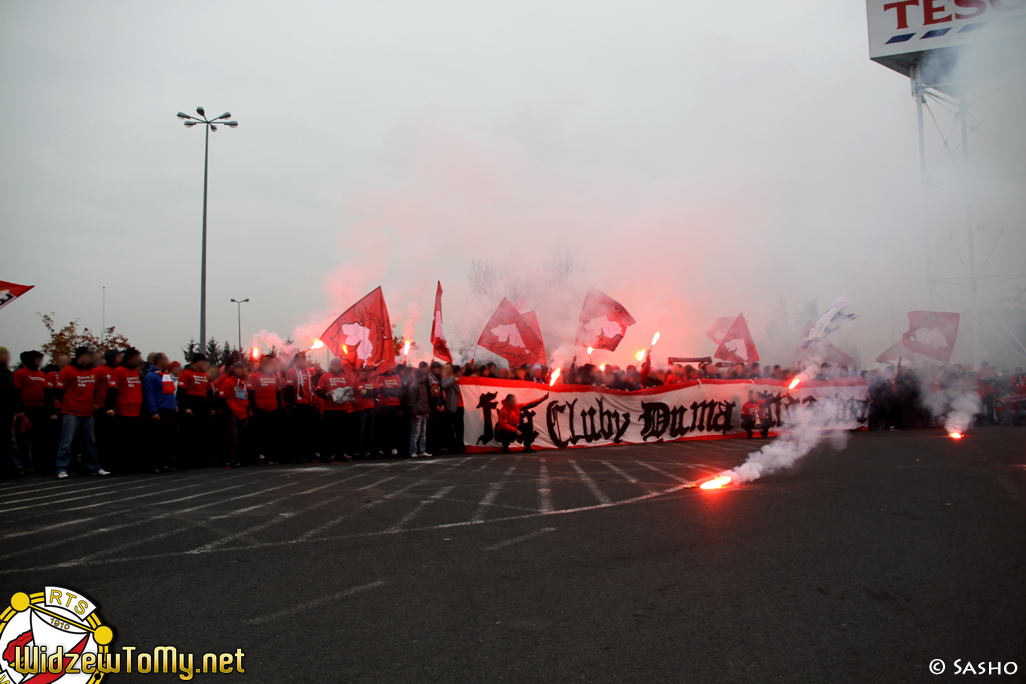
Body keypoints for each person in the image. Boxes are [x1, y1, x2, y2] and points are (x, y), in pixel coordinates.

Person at [54, 346, 109, 478]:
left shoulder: (93, 372)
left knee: (90, 441)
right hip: (71, 412)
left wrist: (93, 403)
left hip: (88, 412)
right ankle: (61, 468)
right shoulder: (68, 371)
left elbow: (95, 389)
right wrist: (68, 403)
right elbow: (58, 391)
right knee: (66, 442)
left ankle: (94, 467)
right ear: (79, 357)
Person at [106, 347, 145, 473]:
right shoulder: (119, 371)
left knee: (133, 441)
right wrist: (110, 407)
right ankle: (119, 466)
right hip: (123, 412)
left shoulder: (135, 372)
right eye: (137, 357)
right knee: (121, 441)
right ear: (130, 358)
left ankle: (131, 465)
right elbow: (112, 390)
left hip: (135, 412)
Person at [142, 352, 178, 473]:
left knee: (168, 439)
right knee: (157, 439)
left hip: (170, 410)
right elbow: (149, 395)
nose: (168, 362)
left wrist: (175, 404)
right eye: (166, 359)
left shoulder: (165, 374)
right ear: (159, 361)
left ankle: (164, 463)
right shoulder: (151, 376)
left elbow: (170, 391)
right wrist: (153, 411)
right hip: (160, 410)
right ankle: (153, 464)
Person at [177, 353, 215, 467]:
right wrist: (185, 407)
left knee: (202, 434)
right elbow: (180, 393)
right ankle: (186, 460)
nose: (204, 364)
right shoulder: (186, 374)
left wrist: (211, 407)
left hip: (202, 406)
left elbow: (209, 393)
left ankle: (201, 459)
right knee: (189, 435)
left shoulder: (205, 376)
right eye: (202, 361)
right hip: (191, 404)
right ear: (196, 362)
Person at [13, 350, 47, 474]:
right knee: (24, 440)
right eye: (37, 359)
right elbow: (16, 393)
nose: (39, 361)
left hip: (40, 410)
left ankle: (39, 464)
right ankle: (24, 463)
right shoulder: (20, 373)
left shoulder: (42, 374)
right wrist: (19, 410)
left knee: (39, 439)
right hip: (26, 411)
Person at [315, 358, 353, 462]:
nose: (336, 366)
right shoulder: (325, 376)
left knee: (341, 433)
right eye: (334, 364)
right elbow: (318, 390)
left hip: (343, 409)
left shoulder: (345, 377)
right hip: (329, 409)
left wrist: (351, 393)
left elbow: (351, 388)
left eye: (338, 364)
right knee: (328, 434)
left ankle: (339, 454)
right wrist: (327, 394)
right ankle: (325, 455)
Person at [248, 355, 283, 464]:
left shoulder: (275, 377)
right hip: (260, 410)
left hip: (273, 410)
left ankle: (271, 457)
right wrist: (254, 409)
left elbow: (277, 393)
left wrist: (278, 407)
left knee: (272, 436)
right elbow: (250, 394)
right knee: (258, 436)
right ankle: (254, 457)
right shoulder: (254, 376)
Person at [284, 352, 318, 464]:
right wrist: (292, 403)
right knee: (298, 431)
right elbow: (288, 388)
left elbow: (318, 374)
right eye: (299, 359)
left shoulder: (309, 371)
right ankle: (296, 454)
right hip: (298, 406)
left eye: (303, 359)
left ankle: (309, 453)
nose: (301, 361)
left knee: (310, 431)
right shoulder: (291, 371)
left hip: (309, 405)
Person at [217, 362, 250, 468]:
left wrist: (246, 415)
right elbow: (221, 398)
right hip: (232, 413)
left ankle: (237, 459)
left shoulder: (243, 383)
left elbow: (244, 399)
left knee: (239, 438)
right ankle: (229, 460)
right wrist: (229, 413)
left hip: (241, 413)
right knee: (232, 437)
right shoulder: (229, 382)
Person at [0, 347, 21, 476]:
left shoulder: (7, 372)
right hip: (2, 409)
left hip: (8, 411)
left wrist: (16, 408)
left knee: (8, 440)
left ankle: (11, 467)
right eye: (5, 354)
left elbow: (13, 391)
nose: (8, 357)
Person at [374, 367, 404, 456]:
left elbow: (401, 391)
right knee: (383, 429)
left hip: (395, 406)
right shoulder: (379, 378)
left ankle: (393, 448)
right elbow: (383, 392)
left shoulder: (396, 376)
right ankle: (382, 449)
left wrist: (389, 390)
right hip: (383, 406)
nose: (390, 368)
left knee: (394, 429)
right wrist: (394, 390)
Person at [351, 368, 378, 458]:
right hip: (361, 409)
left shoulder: (371, 381)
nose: (366, 373)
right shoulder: (357, 382)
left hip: (371, 409)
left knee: (369, 432)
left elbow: (376, 392)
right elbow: (363, 393)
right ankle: (356, 451)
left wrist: (368, 392)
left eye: (367, 372)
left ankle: (367, 451)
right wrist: (369, 392)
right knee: (360, 432)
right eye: (364, 372)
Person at [406, 368, 431, 458]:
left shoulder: (423, 387)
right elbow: (411, 401)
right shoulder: (414, 386)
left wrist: (427, 411)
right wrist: (414, 413)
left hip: (423, 412)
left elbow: (426, 400)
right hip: (418, 413)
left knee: (422, 433)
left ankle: (421, 451)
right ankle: (413, 451)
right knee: (415, 433)